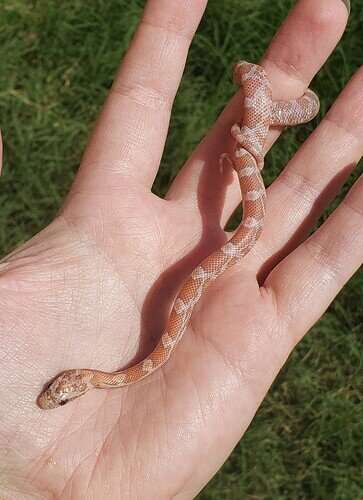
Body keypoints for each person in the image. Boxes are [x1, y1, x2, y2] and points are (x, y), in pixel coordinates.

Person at [0, 0, 361, 497]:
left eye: (57, 389)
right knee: (260, 153)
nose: (54, 395)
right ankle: (268, 113)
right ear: (80, 383)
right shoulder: (127, 373)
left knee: (267, 117)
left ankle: (268, 111)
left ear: (75, 375)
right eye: (61, 396)